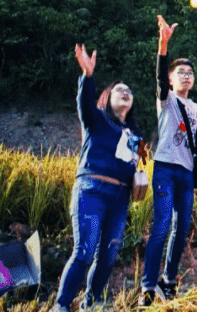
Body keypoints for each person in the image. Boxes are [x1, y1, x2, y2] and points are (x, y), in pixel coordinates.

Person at [55, 45, 145, 312]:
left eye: (129, 91)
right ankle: (61, 306)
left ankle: (90, 304)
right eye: (120, 89)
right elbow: (84, 103)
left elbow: (138, 163)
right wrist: (88, 75)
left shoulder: (134, 133)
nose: (126, 92)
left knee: (108, 256)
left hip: (120, 198)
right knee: (84, 251)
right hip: (91, 190)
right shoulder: (96, 119)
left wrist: (141, 175)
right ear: (107, 97)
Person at [141, 17, 197, 304]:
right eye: (180, 72)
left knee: (182, 229)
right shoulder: (165, 101)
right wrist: (163, 45)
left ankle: (168, 280)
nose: (186, 76)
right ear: (170, 78)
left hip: (187, 172)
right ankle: (147, 283)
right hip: (165, 168)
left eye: (190, 73)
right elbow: (158, 78)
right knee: (163, 223)